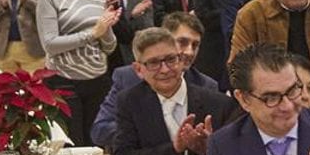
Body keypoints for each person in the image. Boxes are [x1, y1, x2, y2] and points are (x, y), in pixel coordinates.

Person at [112, 27, 235, 155]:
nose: (165, 69)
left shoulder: (218, 104)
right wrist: (174, 150)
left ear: (181, 60)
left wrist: (207, 150)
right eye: (153, 63)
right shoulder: (130, 102)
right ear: (138, 70)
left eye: (171, 59)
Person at [32, 0, 119, 144]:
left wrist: (106, 28)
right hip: (64, 82)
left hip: (98, 81)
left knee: (98, 147)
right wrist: (93, 33)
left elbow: (109, 47)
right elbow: (50, 44)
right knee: (74, 148)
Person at [91, 12, 217, 147]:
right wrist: (151, 131)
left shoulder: (206, 85)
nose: (189, 52)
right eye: (182, 42)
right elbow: (100, 131)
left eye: (195, 45)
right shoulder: (127, 78)